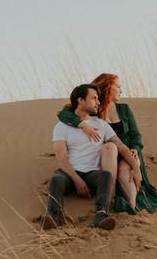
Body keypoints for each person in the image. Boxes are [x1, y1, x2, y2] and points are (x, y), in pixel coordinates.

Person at [57, 73, 157, 214]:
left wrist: (135, 149)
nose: (121, 90)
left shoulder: (124, 109)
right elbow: (64, 115)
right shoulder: (93, 109)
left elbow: (135, 135)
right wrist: (83, 125)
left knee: (125, 169)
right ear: (108, 87)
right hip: (105, 155)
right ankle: (110, 197)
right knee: (110, 148)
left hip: (127, 152)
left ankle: (132, 207)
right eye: (118, 86)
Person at [44, 83, 141, 230]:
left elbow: (120, 146)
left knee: (106, 176)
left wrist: (135, 166)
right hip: (70, 174)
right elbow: (62, 160)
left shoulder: (101, 125)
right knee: (56, 179)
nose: (98, 102)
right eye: (94, 98)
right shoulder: (61, 127)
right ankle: (55, 217)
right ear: (81, 100)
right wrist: (77, 180)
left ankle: (101, 215)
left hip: (92, 174)